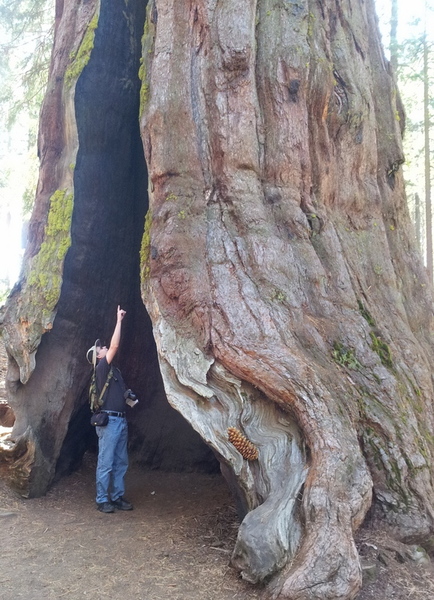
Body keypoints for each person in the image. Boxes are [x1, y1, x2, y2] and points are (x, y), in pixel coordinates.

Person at [86, 305, 134, 513]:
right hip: (109, 422)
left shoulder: (114, 372)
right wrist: (119, 321)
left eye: (102, 347)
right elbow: (115, 346)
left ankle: (116, 496)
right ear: (98, 357)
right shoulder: (101, 368)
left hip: (120, 420)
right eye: (101, 349)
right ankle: (102, 499)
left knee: (121, 461)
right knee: (106, 462)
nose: (104, 347)